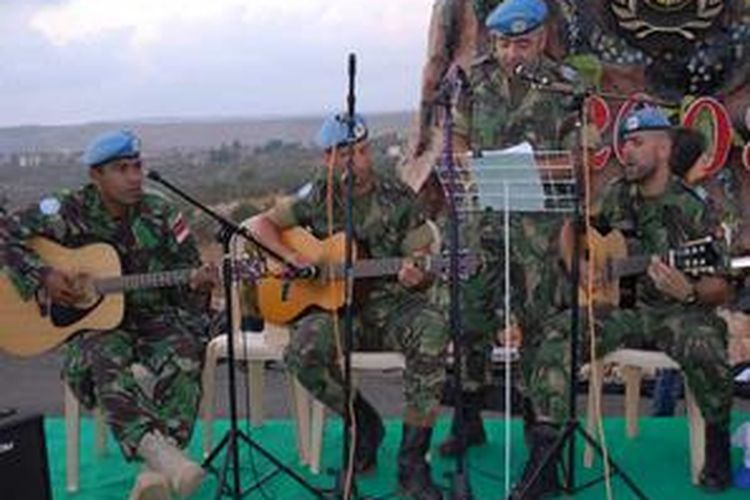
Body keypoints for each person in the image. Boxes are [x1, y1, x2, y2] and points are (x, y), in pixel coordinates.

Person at [0, 130, 217, 500]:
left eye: (137, 166)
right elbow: (7, 235)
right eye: (121, 169)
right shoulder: (67, 208)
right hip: (94, 328)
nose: (134, 177)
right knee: (103, 357)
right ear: (96, 176)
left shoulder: (162, 213)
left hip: (154, 317)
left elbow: (186, 285)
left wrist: (199, 286)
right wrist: (45, 275)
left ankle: (156, 471)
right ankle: (162, 458)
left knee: (185, 354)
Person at [248, 114, 449, 500]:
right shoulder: (319, 195)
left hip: (391, 306)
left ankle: (412, 464)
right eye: (345, 154)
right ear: (328, 159)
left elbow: (421, 256)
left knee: (433, 330)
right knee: (302, 351)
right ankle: (363, 422)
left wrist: (418, 273)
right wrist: (288, 256)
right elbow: (260, 225)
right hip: (337, 311)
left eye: (361, 151)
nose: (357, 161)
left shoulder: (397, 196)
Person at [540, 107, 735, 494]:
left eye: (636, 143)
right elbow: (571, 229)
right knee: (556, 335)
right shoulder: (617, 194)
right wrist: (580, 267)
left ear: (663, 149)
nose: (625, 151)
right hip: (624, 309)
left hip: (678, 313)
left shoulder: (694, 207)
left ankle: (716, 445)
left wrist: (690, 291)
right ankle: (545, 453)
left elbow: (721, 285)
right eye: (624, 143)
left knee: (706, 344)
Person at [431, 0, 581, 465]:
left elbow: (578, 159)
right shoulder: (472, 81)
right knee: (468, 317)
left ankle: (539, 423)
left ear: (542, 39)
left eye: (523, 43)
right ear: (492, 41)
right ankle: (468, 417)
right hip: (481, 222)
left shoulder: (566, 86)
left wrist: (523, 169)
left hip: (541, 229)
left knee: (539, 322)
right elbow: (456, 141)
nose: (513, 53)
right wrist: (470, 163)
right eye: (504, 44)